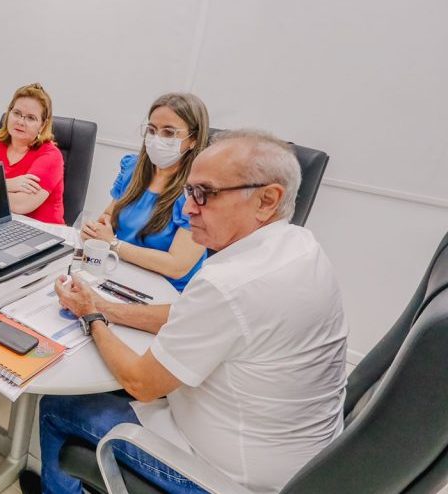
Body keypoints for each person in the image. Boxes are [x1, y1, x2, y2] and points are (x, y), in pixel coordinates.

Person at [37, 130, 348, 494]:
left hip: (224, 478)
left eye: (204, 194)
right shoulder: (299, 244)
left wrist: (91, 317)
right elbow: (189, 315)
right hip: (302, 462)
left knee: (57, 406)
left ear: (267, 199)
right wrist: (107, 308)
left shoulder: (229, 284)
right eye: (188, 192)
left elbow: (141, 383)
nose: (187, 209)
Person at [80, 93, 210, 292]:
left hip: (165, 290)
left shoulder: (198, 192)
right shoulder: (132, 169)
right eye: (152, 130)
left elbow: (176, 266)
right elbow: (108, 217)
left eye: (169, 133)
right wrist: (95, 231)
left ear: (193, 139)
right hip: (120, 273)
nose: (157, 139)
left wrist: (113, 243)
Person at [0, 83, 65, 224]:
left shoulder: (51, 156)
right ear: (9, 114)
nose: (20, 122)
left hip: (41, 231)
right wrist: (11, 184)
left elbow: (21, 205)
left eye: (31, 118)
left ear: (42, 125)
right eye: (17, 113)